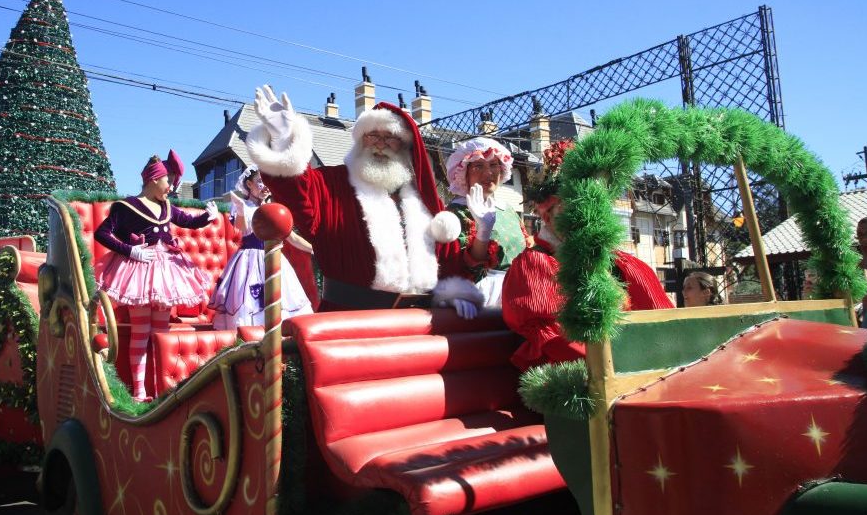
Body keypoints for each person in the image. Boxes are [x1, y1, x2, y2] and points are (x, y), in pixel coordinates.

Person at [245, 85, 481, 314]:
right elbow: (296, 191)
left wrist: (454, 293)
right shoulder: (332, 184)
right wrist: (286, 140)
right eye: (372, 136)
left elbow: (447, 257)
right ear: (360, 140)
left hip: (416, 326)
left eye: (390, 137)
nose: (380, 144)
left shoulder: (420, 200)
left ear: (405, 146)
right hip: (350, 322)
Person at [501, 140, 674, 371]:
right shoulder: (535, 264)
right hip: (581, 379)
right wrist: (614, 367)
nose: (582, 217)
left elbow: (662, 320)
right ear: (548, 215)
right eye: (569, 208)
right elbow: (554, 339)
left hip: (641, 371)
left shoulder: (624, 264)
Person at [94, 151, 220, 401]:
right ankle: (140, 391)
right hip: (137, 274)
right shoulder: (126, 207)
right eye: (168, 182)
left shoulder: (167, 207)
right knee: (141, 333)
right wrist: (130, 250)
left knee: (160, 334)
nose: (172, 187)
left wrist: (208, 217)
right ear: (154, 179)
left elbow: (188, 222)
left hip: (165, 274)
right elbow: (102, 233)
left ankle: (162, 388)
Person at [207, 165, 314, 329]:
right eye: (260, 181)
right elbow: (241, 227)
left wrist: (315, 249)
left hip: (274, 257)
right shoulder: (243, 206)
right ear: (249, 184)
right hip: (249, 260)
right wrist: (242, 210)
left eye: (267, 182)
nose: (265, 186)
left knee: (282, 296)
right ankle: (250, 338)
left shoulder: (274, 208)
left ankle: (281, 337)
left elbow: (290, 236)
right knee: (250, 301)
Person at [439, 137, 531, 307]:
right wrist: (483, 232)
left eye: (494, 165)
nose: (488, 173)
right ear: (464, 173)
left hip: (520, 294)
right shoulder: (455, 213)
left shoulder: (508, 211)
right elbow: (461, 268)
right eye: (478, 166)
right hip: (484, 297)